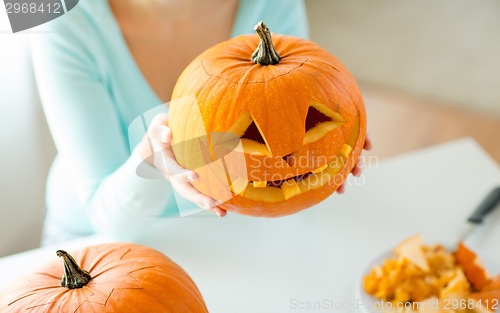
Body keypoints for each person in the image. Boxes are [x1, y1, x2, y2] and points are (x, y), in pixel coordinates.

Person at [31, 0, 371, 245]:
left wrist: (333, 134)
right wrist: (151, 164)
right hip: (97, 239)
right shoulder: (55, 17)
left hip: (236, 226)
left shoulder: (273, 4)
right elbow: (109, 222)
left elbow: (295, 111)